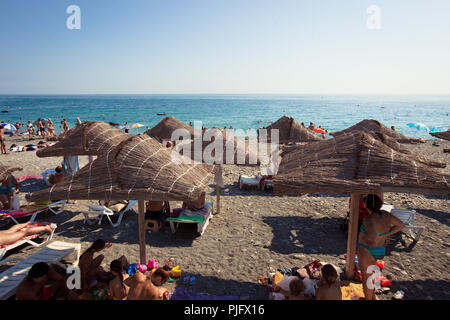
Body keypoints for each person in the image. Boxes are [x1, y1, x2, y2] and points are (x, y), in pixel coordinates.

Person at [357, 194, 405, 300]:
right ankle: (372, 295)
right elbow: (401, 225)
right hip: (379, 249)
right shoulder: (386, 215)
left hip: (367, 250)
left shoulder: (369, 219)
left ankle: (368, 298)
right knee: (371, 274)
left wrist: (369, 238)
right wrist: (386, 234)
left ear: (366, 205)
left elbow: (373, 235)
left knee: (366, 278)